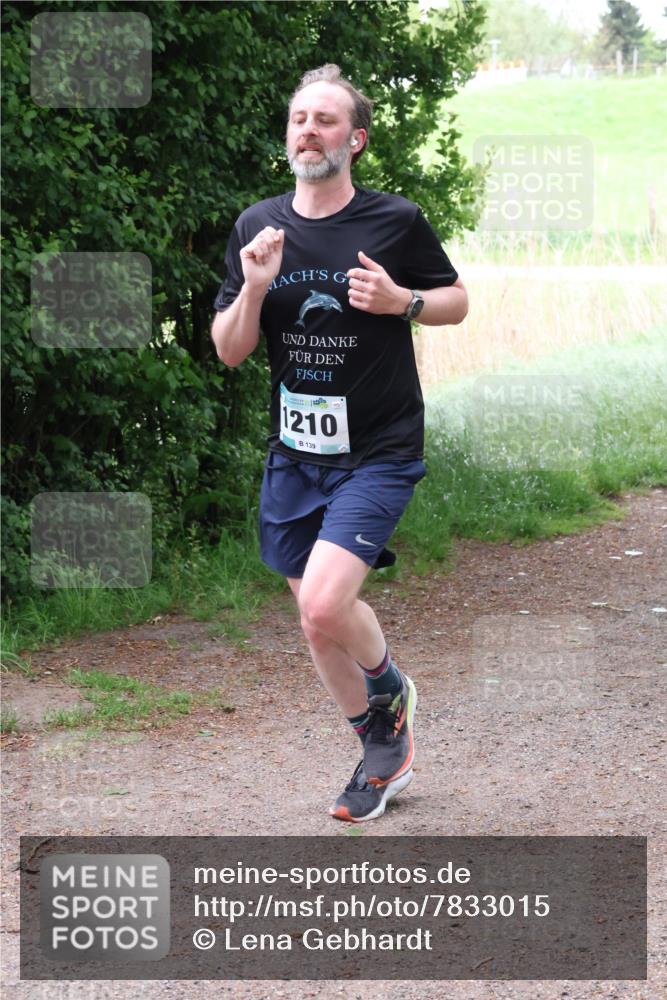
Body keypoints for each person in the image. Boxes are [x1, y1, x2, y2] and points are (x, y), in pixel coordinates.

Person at [211, 64, 468, 822]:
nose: (307, 131)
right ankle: (381, 748)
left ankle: (388, 689)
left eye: (325, 120)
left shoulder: (394, 220)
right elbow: (230, 350)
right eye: (298, 119)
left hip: (378, 450)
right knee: (314, 619)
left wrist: (403, 301)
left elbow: (456, 300)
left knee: (325, 604)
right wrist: (255, 286)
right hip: (296, 454)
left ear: (353, 139)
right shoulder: (258, 226)